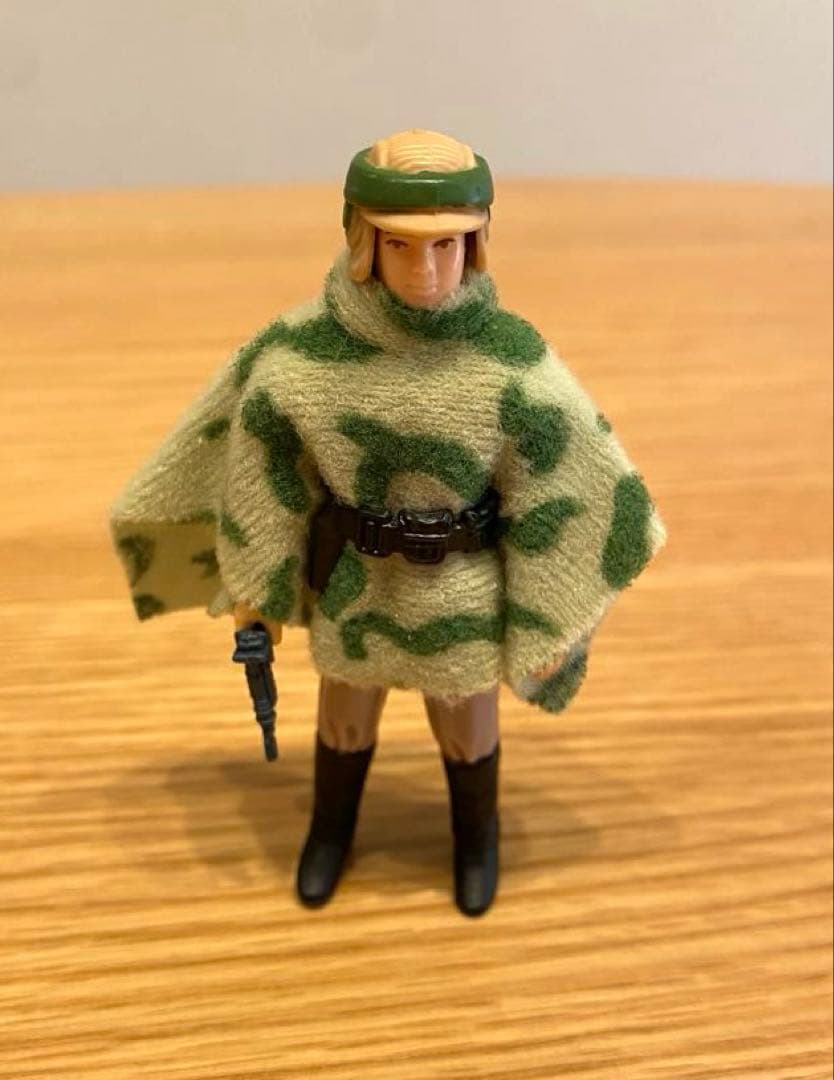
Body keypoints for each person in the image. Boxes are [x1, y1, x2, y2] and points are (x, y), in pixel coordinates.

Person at [111, 129, 666, 917]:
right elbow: (266, 478)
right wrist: (257, 593)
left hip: (460, 585)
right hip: (358, 581)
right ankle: (330, 831)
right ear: (362, 240)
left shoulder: (510, 360)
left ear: (476, 245)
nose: (426, 270)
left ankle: (476, 839)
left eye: (447, 245)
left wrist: (549, 614)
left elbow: (571, 477)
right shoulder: (306, 354)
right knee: (343, 721)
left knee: (468, 729)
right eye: (401, 246)